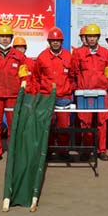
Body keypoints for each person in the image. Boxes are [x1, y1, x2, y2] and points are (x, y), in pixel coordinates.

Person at [0, 25, 29, 164]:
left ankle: (13, 151)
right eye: (2, 36)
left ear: (11, 38)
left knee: (13, 125)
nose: (4, 39)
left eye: (7, 36)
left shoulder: (19, 56)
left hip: (13, 96)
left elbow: (24, 76)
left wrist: (23, 91)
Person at [70, 23, 108, 161]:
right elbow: (74, 72)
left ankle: (101, 150)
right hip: (84, 93)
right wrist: (79, 88)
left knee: (101, 122)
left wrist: (105, 87)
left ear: (98, 37)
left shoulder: (105, 53)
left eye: (94, 36)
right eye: (89, 36)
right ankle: (87, 150)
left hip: (101, 93)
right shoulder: (78, 53)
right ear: (86, 38)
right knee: (85, 122)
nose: (92, 39)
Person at [32, 27, 74, 157]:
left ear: (62, 42)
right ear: (49, 42)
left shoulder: (68, 56)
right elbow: (36, 77)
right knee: (47, 125)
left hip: (64, 97)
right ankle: (47, 150)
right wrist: (39, 95)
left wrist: (68, 89)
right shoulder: (42, 57)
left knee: (63, 125)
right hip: (46, 96)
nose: (55, 43)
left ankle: (63, 151)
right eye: (53, 40)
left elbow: (72, 76)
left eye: (58, 40)